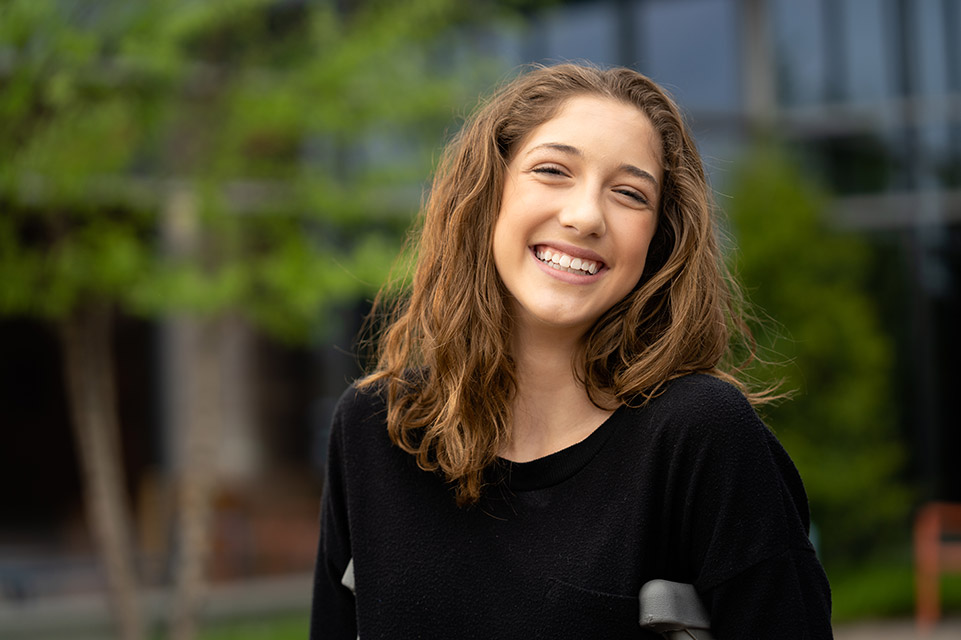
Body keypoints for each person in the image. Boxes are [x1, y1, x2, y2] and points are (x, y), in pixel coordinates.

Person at [309, 63, 833, 639]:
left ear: (659, 239)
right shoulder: (374, 430)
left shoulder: (702, 435)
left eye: (630, 194)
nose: (585, 216)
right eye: (553, 170)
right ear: (488, 194)